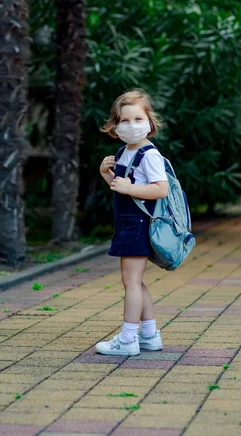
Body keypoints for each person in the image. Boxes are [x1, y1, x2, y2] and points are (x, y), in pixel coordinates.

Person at [96, 89, 168, 356]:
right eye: (124, 120)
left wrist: (127, 188)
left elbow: (160, 189)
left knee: (132, 281)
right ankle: (149, 336)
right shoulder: (124, 151)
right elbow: (122, 187)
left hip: (139, 224)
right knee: (134, 281)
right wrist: (106, 173)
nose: (131, 125)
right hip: (128, 223)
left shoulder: (149, 154)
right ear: (115, 125)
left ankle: (128, 340)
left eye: (138, 119)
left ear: (150, 122)